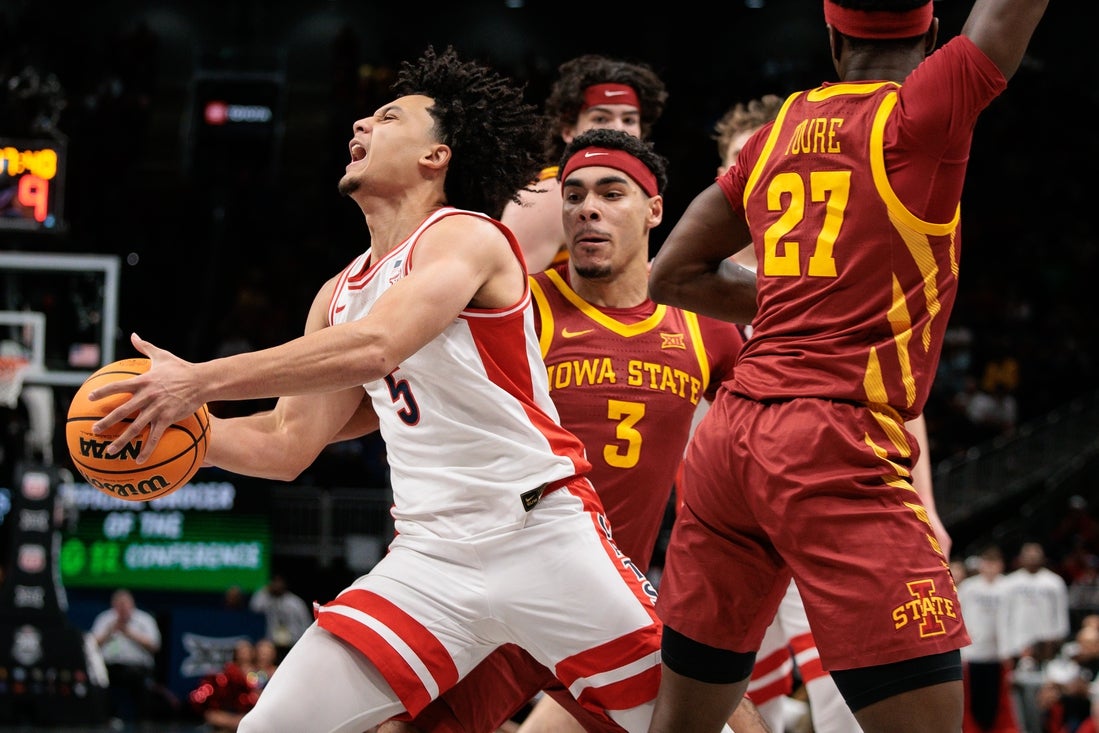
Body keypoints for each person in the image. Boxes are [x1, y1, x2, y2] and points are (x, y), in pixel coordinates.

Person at [88, 45, 664, 733]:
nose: (360, 124)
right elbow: (286, 442)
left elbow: (376, 344)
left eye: (387, 117)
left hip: (541, 534)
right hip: (431, 558)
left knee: (689, 723)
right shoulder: (338, 292)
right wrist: (185, 437)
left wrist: (198, 380)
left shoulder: (465, 237)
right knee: (269, 728)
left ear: (436, 156)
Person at [644, 1, 1049, 732]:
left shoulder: (774, 135)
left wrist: (790, 298)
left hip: (727, 444)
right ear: (929, 38)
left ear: (832, 40)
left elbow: (668, 276)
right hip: (831, 443)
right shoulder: (922, 112)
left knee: (680, 727)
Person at [377, 129, 758, 733]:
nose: (588, 209)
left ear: (655, 210)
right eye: (575, 195)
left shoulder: (703, 325)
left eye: (611, 194)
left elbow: (761, 431)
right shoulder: (518, 307)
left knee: (731, 718)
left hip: (607, 602)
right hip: (507, 582)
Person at [712, 93, 949, 733]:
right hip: (730, 517)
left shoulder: (845, 269)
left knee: (844, 701)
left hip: (825, 494)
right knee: (714, 700)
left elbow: (898, 399)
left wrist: (923, 505)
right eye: (741, 163)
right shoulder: (691, 285)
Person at [501, 54, 668, 272]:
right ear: (568, 131)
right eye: (601, 118)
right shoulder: (546, 196)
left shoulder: (640, 191)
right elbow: (507, 294)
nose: (618, 128)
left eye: (629, 120)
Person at [1003, 541, 1071, 733]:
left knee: (1045, 700)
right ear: (1020, 558)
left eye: (1036, 554)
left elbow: (1060, 617)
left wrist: (1055, 643)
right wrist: (1007, 650)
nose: (1032, 558)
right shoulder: (1010, 583)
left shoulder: (1054, 582)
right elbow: (1005, 617)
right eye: (1028, 554)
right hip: (1017, 649)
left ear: (1043, 557)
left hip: (1045, 650)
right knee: (1017, 698)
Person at [956, 545, 1020, 733]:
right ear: (982, 565)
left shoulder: (1008, 587)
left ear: (1000, 565)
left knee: (996, 699)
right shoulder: (969, 587)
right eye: (987, 563)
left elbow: (1012, 620)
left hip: (997, 653)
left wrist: (1009, 650)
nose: (990, 568)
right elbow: (959, 614)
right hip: (974, 652)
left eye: (994, 564)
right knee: (974, 698)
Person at [90, 588, 163, 727]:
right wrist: (109, 632)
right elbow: (91, 645)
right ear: (114, 606)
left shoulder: (144, 619)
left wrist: (129, 633)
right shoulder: (105, 618)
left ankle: (144, 722)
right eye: (119, 605)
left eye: (125, 605)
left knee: (141, 681)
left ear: (132, 605)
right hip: (109, 667)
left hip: (137, 668)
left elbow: (155, 646)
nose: (122, 609)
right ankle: (105, 719)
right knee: (98, 680)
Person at [247, 573, 312, 662]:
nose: (277, 585)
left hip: (293, 644)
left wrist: (303, 643)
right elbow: (254, 606)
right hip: (272, 644)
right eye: (275, 582)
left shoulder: (295, 602)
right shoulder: (266, 599)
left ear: (284, 584)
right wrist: (266, 589)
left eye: (280, 582)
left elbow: (306, 623)